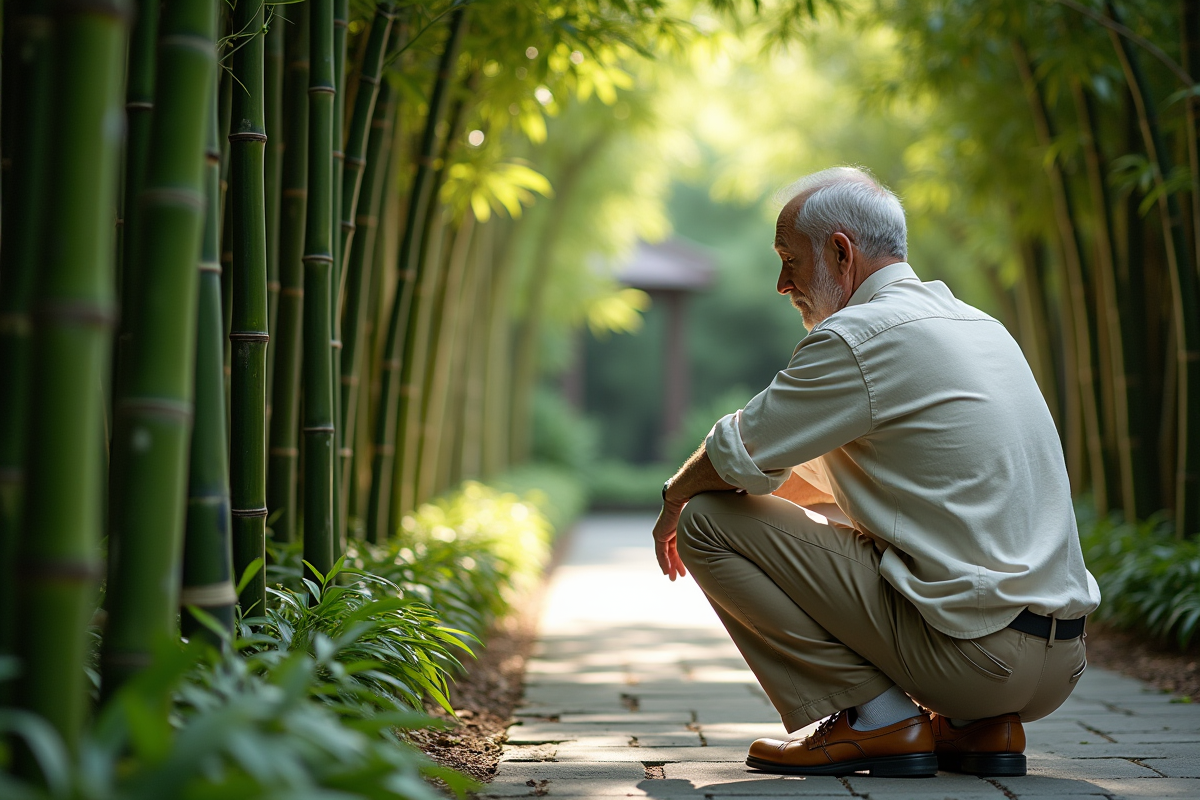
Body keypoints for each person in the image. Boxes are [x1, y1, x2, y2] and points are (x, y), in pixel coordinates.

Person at [652, 166, 1100, 779]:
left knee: (706, 520)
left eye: (790, 259)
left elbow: (736, 452)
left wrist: (676, 497)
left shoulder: (859, 336)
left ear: (840, 252)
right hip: (1060, 662)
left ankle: (878, 719)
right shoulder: (982, 327)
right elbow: (797, 476)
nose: (783, 284)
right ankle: (981, 728)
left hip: (975, 657)